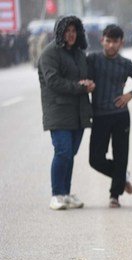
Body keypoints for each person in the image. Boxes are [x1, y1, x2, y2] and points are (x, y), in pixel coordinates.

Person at [87, 24, 132, 208]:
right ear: (102, 41)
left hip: (121, 116)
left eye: (115, 42)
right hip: (99, 115)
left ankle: (114, 195)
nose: (111, 45)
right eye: (108, 41)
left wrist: (130, 95)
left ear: (121, 43)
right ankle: (121, 176)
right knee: (95, 159)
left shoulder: (125, 64)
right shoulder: (93, 60)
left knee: (121, 155)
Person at [38, 15, 94, 210]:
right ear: (59, 32)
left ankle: (66, 193)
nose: (71, 35)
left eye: (74, 31)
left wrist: (89, 83)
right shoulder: (49, 53)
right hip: (58, 111)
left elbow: (84, 74)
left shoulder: (78, 52)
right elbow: (53, 81)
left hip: (78, 111)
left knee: (70, 154)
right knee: (62, 152)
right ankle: (56, 194)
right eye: (67, 31)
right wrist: (80, 86)